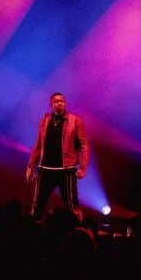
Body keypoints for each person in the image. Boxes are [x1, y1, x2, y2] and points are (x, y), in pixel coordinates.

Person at [26, 92, 89, 221]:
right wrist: (30, 166)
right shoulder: (45, 121)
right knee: (37, 205)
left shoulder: (75, 121)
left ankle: (77, 234)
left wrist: (83, 167)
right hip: (45, 168)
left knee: (72, 206)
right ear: (51, 104)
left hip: (66, 170)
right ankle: (32, 233)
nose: (59, 103)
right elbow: (38, 145)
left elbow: (84, 146)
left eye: (62, 101)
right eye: (56, 101)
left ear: (65, 103)